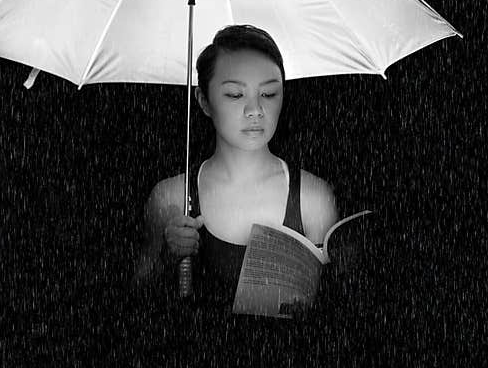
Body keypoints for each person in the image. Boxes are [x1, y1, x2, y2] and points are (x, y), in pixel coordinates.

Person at [132, 24, 339, 308]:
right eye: (234, 95)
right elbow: (134, 298)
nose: (255, 110)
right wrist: (166, 259)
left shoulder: (313, 198)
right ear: (203, 100)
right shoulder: (172, 197)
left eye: (268, 94)